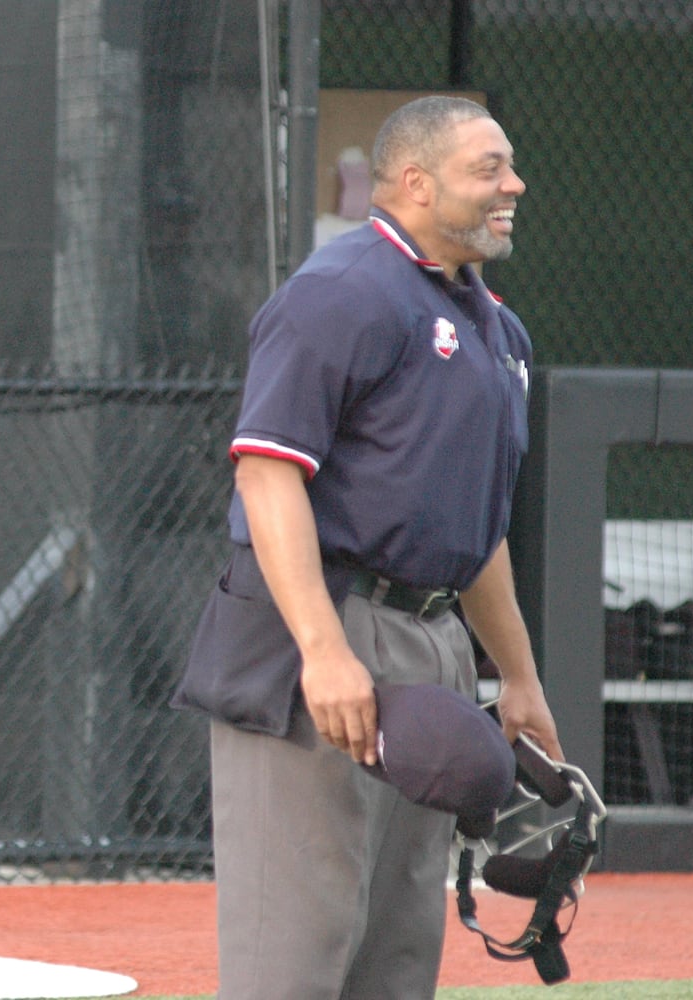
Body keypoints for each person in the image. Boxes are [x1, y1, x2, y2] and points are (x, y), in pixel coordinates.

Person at [171, 95, 564, 1000]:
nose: (513, 183)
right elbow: (267, 477)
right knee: (295, 956)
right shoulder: (341, 290)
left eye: (507, 165)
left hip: (432, 640)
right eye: (487, 168)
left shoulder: (497, 328)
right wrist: (322, 649)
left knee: (395, 956)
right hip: (322, 629)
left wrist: (519, 677)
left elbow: (479, 527)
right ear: (415, 184)